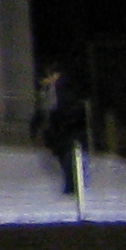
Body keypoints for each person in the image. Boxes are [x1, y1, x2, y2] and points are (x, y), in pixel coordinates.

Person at [32, 65, 84, 196]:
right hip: (54, 127)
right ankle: (71, 182)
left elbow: (72, 104)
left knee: (68, 155)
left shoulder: (64, 86)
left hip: (66, 125)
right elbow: (41, 109)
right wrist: (35, 126)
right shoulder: (45, 89)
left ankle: (72, 185)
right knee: (60, 155)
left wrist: (68, 118)